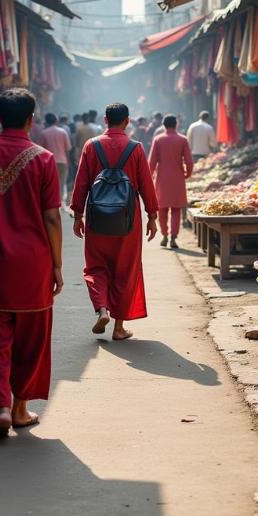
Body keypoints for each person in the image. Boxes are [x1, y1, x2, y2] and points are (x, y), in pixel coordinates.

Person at [0, 88, 63, 437]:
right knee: (31, 339)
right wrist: (58, 265)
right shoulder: (45, 159)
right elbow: (52, 218)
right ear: (32, 120)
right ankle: (20, 408)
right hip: (33, 265)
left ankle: (0, 407)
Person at [71, 103, 158, 341]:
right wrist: (152, 216)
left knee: (96, 266)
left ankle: (101, 309)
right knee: (125, 269)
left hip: (97, 219)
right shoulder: (136, 149)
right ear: (127, 121)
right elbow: (146, 186)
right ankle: (119, 328)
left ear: (105, 120)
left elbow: (81, 183)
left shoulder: (92, 146)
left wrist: (78, 215)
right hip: (128, 221)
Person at [148, 114, 193, 250]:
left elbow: (151, 162)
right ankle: (173, 236)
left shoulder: (158, 139)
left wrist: (149, 178)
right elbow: (189, 161)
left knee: (162, 209)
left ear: (164, 125)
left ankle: (164, 235)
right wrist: (187, 174)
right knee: (176, 209)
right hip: (178, 178)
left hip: (161, 178)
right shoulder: (183, 140)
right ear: (176, 124)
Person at [40, 112, 72, 202]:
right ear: (56, 120)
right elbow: (67, 149)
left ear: (46, 121)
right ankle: (59, 202)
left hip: (49, 162)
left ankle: (51, 201)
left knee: (50, 184)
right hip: (62, 161)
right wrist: (68, 162)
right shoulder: (63, 132)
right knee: (61, 183)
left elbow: (41, 150)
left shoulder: (43, 133)